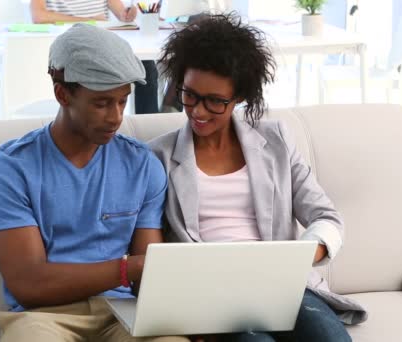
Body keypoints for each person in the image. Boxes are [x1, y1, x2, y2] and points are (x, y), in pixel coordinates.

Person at [149, 13, 367, 342]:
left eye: (215, 101)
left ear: (239, 98)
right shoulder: (158, 157)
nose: (198, 110)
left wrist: (294, 260)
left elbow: (326, 218)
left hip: (283, 287)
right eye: (190, 94)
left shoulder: (276, 142)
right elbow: (150, 249)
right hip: (212, 297)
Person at [0, 24, 188, 342]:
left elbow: (150, 275)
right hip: (44, 318)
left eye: (123, 101)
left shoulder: (143, 165)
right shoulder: (12, 168)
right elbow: (29, 283)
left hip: (122, 313)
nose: (116, 117)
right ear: (62, 94)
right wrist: (126, 269)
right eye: (102, 103)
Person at [30, 0, 160, 114]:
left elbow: (121, 12)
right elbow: (39, 16)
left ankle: (148, 124)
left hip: (100, 45)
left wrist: (127, 14)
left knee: (145, 66)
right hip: (70, 48)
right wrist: (89, 20)